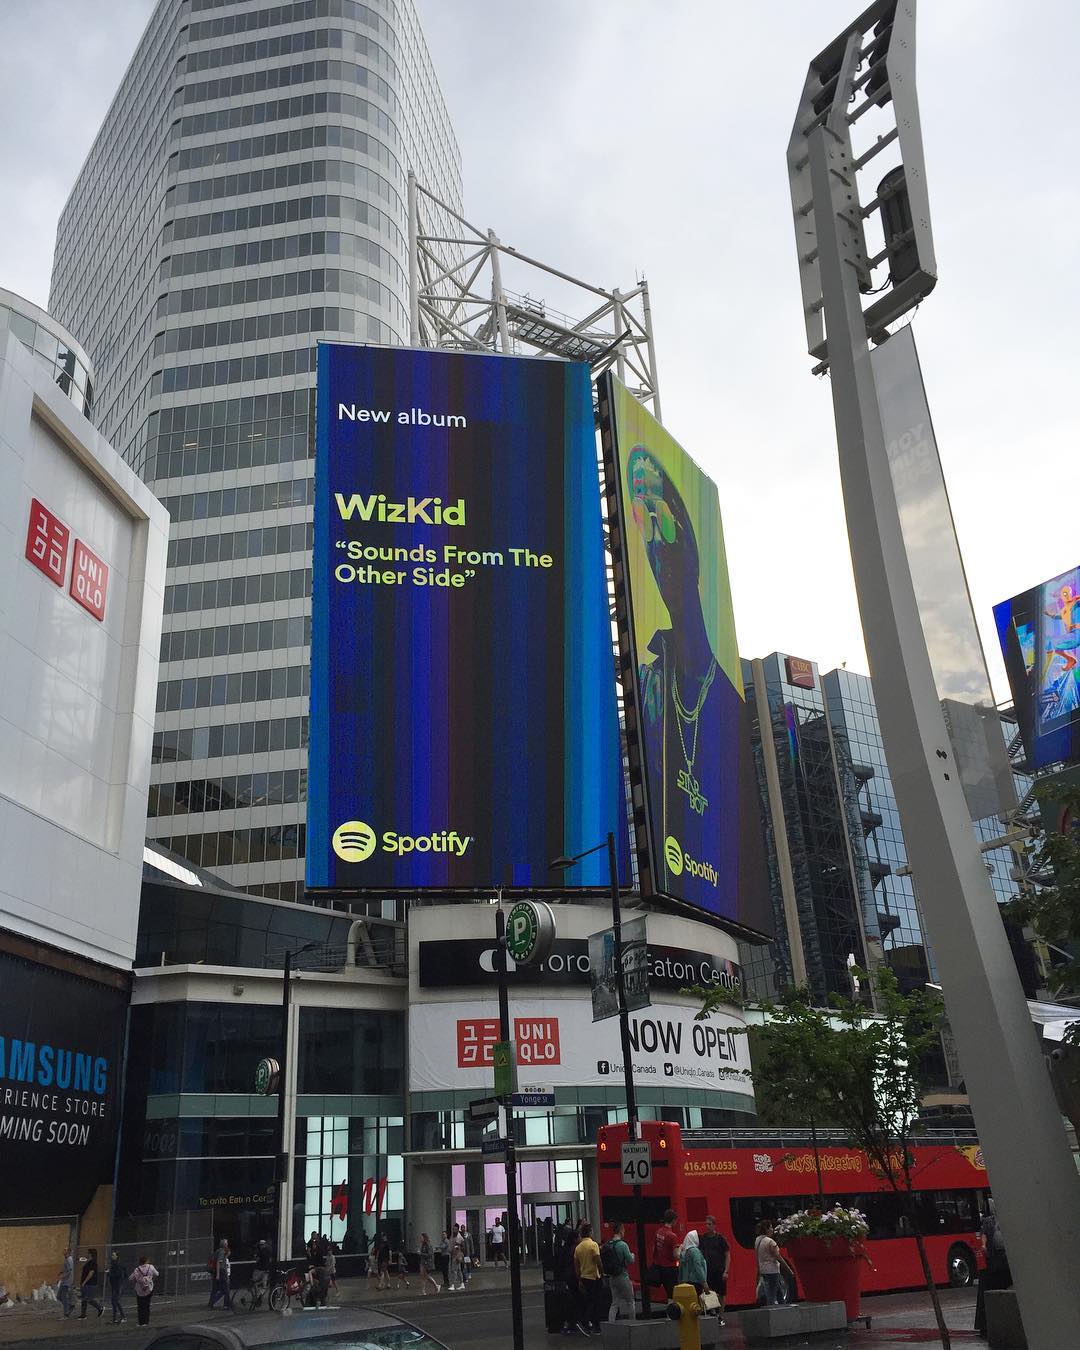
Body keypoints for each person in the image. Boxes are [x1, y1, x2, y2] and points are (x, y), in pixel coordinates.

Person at [628, 446, 741, 909]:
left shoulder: (732, 709)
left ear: (691, 546)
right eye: (641, 519)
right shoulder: (646, 687)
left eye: (662, 519)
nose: (656, 542)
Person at [975, 1202, 1012, 1335]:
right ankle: (987, 1325)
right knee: (992, 1291)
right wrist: (984, 1246)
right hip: (994, 1262)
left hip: (1004, 1262)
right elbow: (984, 1235)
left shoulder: (1009, 1220)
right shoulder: (989, 1222)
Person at [573, 1221, 604, 1336]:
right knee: (594, 1302)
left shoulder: (578, 1248)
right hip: (594, 1277)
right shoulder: (593, 1245)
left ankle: (595, 1326)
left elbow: (576, 1266)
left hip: (584, 1277)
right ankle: (585, 1322)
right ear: (590, 1232)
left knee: (589, 1301)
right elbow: (598, 1261)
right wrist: (602, 1273)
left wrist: (579, 1280)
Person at [699, 1215, 730, 1324]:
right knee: (709, 1291)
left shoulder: (720, 1239)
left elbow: (727, 1255)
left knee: (721, 1293)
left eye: (709, 1224)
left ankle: (721, 1315)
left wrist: (726, 1271)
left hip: (719, 1270)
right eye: (706, 1224)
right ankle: (712, 1311)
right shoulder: (703, 1239)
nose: (707, 1226)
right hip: (708, 1270)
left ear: (714, 1225)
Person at [754, 1221, 793, 1307]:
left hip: (763, 1270)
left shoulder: (757, 1240)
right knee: (771, 1293)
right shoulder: (770, 1242)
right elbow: (778, 1257)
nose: (772, 1230)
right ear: (766, 1229)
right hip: (772, 1270)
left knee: (778, 1290)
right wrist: (789, 1270)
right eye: (771, 1228)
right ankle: (771, 1310)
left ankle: (783, 1306)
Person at [605, 1221, 636, 1322]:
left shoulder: (608, 1244)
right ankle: (632, 1323)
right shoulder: (622, 1245)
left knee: (614, 1303)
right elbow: (630, 1260)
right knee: (630, 1301)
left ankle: (611, 1323)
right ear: (621, 1230)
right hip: (622, 1276)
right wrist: (632, 1255)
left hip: (612, 1277)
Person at [651, 1209, 681, 1300]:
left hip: (660, 1267)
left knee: (668, 1294)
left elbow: (654, 1249)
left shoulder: (658, 1232)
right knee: (673, 1295)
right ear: (673, 1220)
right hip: (670, 1268)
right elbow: (676, 1255)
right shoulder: (672, 1236)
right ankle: (672, 1313)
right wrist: (680, 1248)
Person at [678, 1230, 710, 1298]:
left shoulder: (684, 1252)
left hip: (686, 1282)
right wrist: (704, 1282)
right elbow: (698, 1267)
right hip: (696, 1282)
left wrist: (680, 1281)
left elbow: (680, 1268)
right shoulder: (695, 1251)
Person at [129, 1255, 159, 1327]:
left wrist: (137, 1280)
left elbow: (130, 1278)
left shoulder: (137, 1269)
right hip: (149, 1289)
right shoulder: (151, 1267)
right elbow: (157, 1274)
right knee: (147, 1305)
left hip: (139, 1290)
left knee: (140, 1306)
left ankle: (140, 1322)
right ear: (146, 1261)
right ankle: (146, 1322)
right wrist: (150, 1278)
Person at [77, 1247, 103, 1319]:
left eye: (88, 1253)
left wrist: (84, 1282)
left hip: (90, 1284)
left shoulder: (93, 1263)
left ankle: (100, 1308)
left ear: (91, 1254)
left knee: (88, 1298)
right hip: (86, 1283)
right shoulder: (89, 1262)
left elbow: (91, 1273)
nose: (87, 1254)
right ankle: (83, 1314)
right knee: (84, 1299)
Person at [208, 1237, 232, 1310]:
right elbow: (219, 1262)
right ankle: (227, 1305)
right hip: (221, 1271)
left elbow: (227, 1255)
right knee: (226, 1289)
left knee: (215, 1289)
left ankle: (211, 1303)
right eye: (226, 1243)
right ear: (224, 1244)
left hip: (216, 1272)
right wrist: (218, 1275)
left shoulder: (217, 1251)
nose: (227, 1244)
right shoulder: (221, 1251)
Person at [107, 1251, 127, 1324]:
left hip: (117, 1285)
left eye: (113, 1255)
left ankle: (123, 1317)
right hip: (116, 1285)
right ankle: (115, 1318)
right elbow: (124, 1275)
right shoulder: (114, 1264)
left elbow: (119, 1274)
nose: (112, 1256)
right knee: (114, 1301)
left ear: (117, 1256)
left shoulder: (117, 1264)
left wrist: (109, 1273)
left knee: (116, 1301)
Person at [57, 1247, 75, 1319]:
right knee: (59, 1296)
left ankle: (66, 1314)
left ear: (68, 1252)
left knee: (64, 1297)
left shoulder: (69, 1259)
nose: (63, 1251)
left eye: (65, 1250)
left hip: (67, 1281)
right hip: (64, 1281)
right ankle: (69, 1305)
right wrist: (61, 1272)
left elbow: (70, 1271)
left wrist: (63, 1276)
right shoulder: (66, 1259)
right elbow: (66, 1269)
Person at [253, 1240, 273, 1304]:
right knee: (264, 1286)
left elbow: (257, 1260)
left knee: (254, 1282)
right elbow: (270, 1260)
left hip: (258, 1269)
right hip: (265, 1270)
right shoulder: (269, 1251)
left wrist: (255, 1257)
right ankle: (258, 1295)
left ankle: (256, 1295)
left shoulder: (259, 1251)